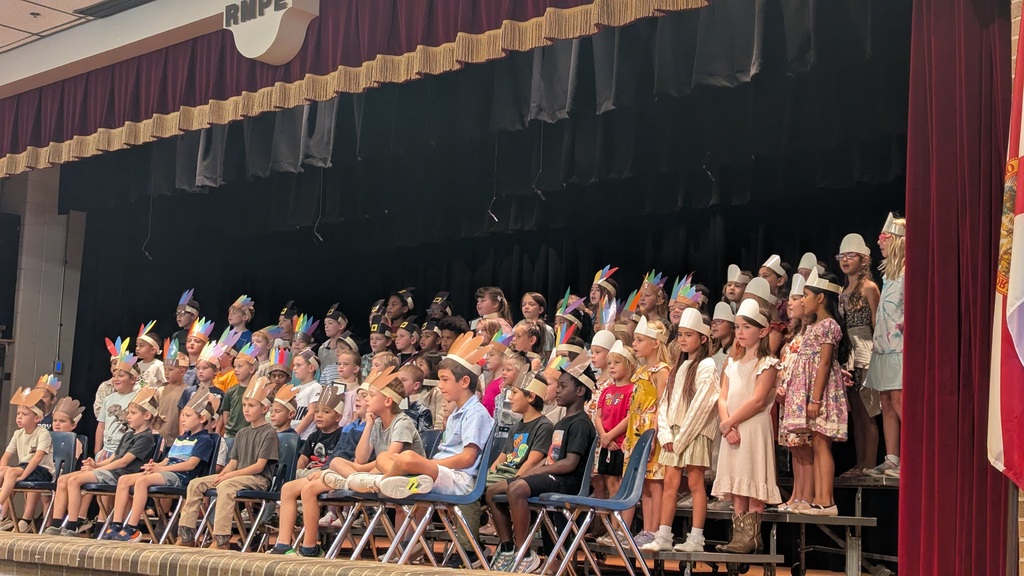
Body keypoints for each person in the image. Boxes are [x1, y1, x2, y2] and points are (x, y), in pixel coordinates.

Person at [346, 333, 493, 500]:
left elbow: (468, 458)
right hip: (437, 471)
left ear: (465, 382)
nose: (440, 385)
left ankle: (380, 482)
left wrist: (428, 464)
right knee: (383, 457)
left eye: (445, 380)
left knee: (408, 457)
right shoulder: (456, 413)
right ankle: (401, 482)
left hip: (457, 478)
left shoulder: (476, 412)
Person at [490, 354, 597, 573]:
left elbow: (569, 463)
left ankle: (524, 552)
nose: (556, 390)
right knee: (493, 491)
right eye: (557, 385)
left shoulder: (581, 424)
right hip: (553, 476)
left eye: (563, 386)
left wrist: (535, 473)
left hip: (568, 481)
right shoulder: (563, 421)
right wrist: (532, 472)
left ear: (580, 391)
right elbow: (552, 459)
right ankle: (508, 547)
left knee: (517, 488)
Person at [643, 309, 720, 552]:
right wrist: (666, 434)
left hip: (694, 432)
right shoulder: (678, 367)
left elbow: (703, 404)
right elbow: (664, 403)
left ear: (703, 338)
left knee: (696, 483)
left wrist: (682, 437)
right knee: (670, 483)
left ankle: (696, 538)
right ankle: (663, 534)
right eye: (680, 335)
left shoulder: (707, 365)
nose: (683, 340)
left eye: (689, 335)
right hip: (674, 434)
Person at [177, 378, 279, 549]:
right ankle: (186, 534)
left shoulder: (269, 433)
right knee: (195, 484)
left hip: (258, 479)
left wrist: (228, 476)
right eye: (244, 405)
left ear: (265, 409)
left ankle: (221, 539)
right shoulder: (242, 433)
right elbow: (233, 462)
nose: (246, 409)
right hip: (237, 476)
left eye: (251, 405)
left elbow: (259, 466)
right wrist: (224, 473)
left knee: (226, 486)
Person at [713, 299, 782, 553]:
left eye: (747, 328)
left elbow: (758, 400)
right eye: (738, 327)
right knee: (737, 483)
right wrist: (726, 425)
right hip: (732, 428)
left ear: (763, 331)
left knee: (752, 476)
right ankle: (739, 536)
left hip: (753, 427)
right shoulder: (732, 364)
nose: (740, 333)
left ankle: (752, 535)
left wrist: (731, 422)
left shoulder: (768, 364)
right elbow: (722, 396)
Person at [103, 391, 218, 542]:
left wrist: (161, 469)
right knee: (124, 480)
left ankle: (132, 528)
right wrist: (155, 465)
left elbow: (191, 464)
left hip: (181, 477)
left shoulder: (204, 440)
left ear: (202, 418)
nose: (182, 419)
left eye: (188, 416)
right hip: (166, 472)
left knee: (142, 481)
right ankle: (117, 524)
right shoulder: (180, 438)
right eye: (182, 415)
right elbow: (168, 460)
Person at [45, 387, 158, 536]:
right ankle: (56, 523)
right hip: (111, 470)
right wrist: (96, 464)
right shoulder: (128, 435)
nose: (128, 416)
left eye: (133, 413)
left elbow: (123, 462)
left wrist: (97, 470)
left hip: (121, 474)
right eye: (128, 413)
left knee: (74, 480)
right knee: (63, 479)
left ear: (147, 415)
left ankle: (72, 524)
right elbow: (114, 457)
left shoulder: (145, 438)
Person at [788, 271, 850, 516]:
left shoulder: (829, 326)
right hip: (810, 391)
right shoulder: (813, 325)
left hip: (821, 392)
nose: (802, 300)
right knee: (816, 444)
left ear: (821, 298)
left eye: (806, 295)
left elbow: (824, 364)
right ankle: (818, 498)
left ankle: (826, 501)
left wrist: (815, 399)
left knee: (822, 444)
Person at [481, 371, 554, 570]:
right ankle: (505, 547)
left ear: (531, 397)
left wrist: (515, 478)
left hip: (517, 476)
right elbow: (501, 458)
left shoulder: (544, 426)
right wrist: (489, 472)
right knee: (476, 485)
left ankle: (482, 550)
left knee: (479, 489)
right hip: (503, 473)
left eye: (514, 393)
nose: (509, 398)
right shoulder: (516, 426)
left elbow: (533, 461)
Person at [837, 233, 882, 477]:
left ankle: (870, 463)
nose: (845, 260)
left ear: (864, 260)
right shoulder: (843, 290)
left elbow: (877, 323)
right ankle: (859, 463)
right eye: (842, 256)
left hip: (866, 350)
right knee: (855, 413)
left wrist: (877, 354)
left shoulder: (869, 287)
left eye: (851, 255)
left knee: (869, 411)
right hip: (849, 352)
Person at [624, 316, 671, 547]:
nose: (635, 344)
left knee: (654, 482)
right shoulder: (641, 370)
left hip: (651, 428)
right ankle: (645, 528)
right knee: (642, 482)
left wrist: (653, 434)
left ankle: (653, 529)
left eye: (640, 340)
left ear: (655, 343)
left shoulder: (661, 371)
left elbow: (662, 404)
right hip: (636, 429)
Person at [865, 213, 906, 479]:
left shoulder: (908, 272)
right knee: (886, 401)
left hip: (900, 346)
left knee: (899, 400)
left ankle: (911, 456)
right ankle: (892, 458)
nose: (880, 243)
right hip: (883, 346)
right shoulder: (889, 275)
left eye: (884, 238)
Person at [775, 273, 814, 512]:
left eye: (797, 298)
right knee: (794, 448)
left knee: (804, 448)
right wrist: (780, 383)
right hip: (788, 398)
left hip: (802, 398)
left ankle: (806, 496)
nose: (790, 303)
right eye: (789, 298)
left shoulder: (813, 332)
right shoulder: (794, 334)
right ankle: (796, 495)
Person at [592, 342, 635, 546]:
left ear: (629, 364)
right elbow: (598, 416)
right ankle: (612, 528)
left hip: (621, 444)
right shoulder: (607, 390)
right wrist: (604, 436)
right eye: (609, 363)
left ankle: (623, 529)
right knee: (610, 484)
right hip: (607, 444)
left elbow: (630, 417)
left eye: (617, 362)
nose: (611, 366)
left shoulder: (632, 389)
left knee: (621, 484)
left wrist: (611, 436)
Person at [0, 387, 56, 532]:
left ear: (37, 418)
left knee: (11, 472)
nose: (19, 417)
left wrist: (23, 475)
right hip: (25, 467)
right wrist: (2, 469)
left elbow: (38, 457)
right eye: (18, 413)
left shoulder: (43, 433)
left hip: (42, 470)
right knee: (6, 470)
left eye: (24, 414)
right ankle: (3, 516)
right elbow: (6, 455)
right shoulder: (17, 433)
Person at [295, 386, 344, 478]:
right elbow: (303, 458)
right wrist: (297, 472)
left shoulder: (342, 435)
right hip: (309, 471)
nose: (319, 415)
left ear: (338, 417)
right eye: (317, 411)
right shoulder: (313, 436)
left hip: (325, 473)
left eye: (325, 412)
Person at [220, 342, 260, 438]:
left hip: (251, 435)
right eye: (235, 366)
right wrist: (228, 427)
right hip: (231, 435)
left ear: (251, 369)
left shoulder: (258, 391)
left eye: (240, 366)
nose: (236, 370)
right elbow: (226, 411)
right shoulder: (231, 391)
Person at [155, 338, 189, 447]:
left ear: (182, 371)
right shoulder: (160, 390)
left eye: (170, 370)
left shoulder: (187, 391)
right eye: (165, 369)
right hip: (158, 439)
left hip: (175, 441)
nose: (166, 373)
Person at [291, 349, 322, 439]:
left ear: (311, 368)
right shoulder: (293, 389)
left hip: (305, 437)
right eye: (294, 365)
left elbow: (311, 413)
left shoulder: (316, 387)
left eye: (299, 365)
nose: (294, 368)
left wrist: (296, 433)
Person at [318, 303, 348, 385]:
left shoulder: (347, 347)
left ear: (341, 326)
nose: (326, 326)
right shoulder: (322, 348)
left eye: (330, 323)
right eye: (325, 324)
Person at [397, 364, 433, 432]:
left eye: (403, 380)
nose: (398, 383)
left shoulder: (422, 411)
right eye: (397, 379)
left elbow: (425, 438)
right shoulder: (393, 405)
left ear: (416, 385)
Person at [521, 292, 555, 357]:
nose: (526, 307)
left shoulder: (546, 329)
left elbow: (549, 355)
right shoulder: (519, 325)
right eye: (524, 304)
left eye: (531, 304)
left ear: (540, 309)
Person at [135, 321, 166, 388]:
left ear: (153, 350)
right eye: (137, 345)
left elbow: (165, 384)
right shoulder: (137, 365)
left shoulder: (158, 365)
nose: (137, 348)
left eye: (141, 345)